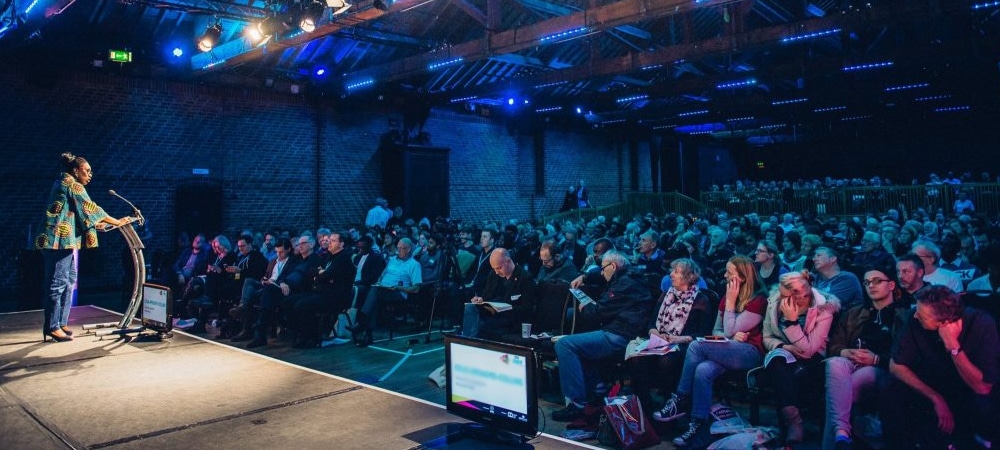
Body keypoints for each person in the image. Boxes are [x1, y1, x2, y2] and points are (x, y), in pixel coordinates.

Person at [655, 256, 768, 448]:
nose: (724, 275)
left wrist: (731, 304)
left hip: (750, 352)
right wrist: (729, 334)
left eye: (729, 273)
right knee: (703, 370)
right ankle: (697, 425)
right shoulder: (726, 297)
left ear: (741, 277)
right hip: (726, 348)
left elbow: (730, 328)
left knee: (696, 345)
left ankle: (680, 398)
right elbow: (718, 330)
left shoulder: (758, 300)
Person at [882, 286, 1000, 448]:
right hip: (933, 385)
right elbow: (896, 365)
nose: (916, 315)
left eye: (922, 316)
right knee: (891, 389)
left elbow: (983, 388)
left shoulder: (981, 324)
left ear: (944, 323)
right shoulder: (915, 318)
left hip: (968, 390)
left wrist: (953, 346)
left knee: (984, 405)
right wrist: (936, 398)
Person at [35, 152, 133, 342]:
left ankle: (61, 323)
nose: (90, 175)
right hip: (58, 240)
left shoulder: (65, 182)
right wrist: (117, 221)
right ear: (75, 170)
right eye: (86, 171)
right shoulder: (72, 184)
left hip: (63, 239)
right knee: (57, 284)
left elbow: (77, 212)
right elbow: (90, 208)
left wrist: (99, 225)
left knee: (69, 280)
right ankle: (52, 326)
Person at [551, 250, 653, 422]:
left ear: (613, 266)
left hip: (622, 335)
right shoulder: (627, 276)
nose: (600, 272)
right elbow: (598, 277)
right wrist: (584, 277)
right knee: (578, 345)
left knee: (565, 345)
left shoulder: (625, 284)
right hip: (619, 330)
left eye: (603, 268)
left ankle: (577, 404)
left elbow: (597, 313)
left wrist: (586, 307)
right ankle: (598, 389)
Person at [823, 267, 908, 450]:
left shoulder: (903, 316)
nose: (871, 285)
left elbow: (905, 356)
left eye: (877, 281)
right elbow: (834, 345)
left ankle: (837, 438)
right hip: (850, 364)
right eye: (867, 282)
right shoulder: (854, 313)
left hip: (882, 369)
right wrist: (844, 352)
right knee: (835, 363)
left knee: (837, 392)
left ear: (891, 285)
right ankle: (842, 433)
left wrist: (877, 359)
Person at [627, 258, 714, 423]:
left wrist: (677, 338)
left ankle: (672, 404)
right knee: (636, 359)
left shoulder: (701, 300)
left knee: (667, 360)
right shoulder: (666, 294)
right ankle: (645, 407)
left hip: (685, 344)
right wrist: (654, 331)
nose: (671, 274)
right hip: (660, 340)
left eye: (676, 271)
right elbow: (652, 322)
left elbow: (702, 332)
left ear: (688, 277)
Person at [759, 271, 841, 444]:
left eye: (785, 295)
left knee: (785, 373)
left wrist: (791, 323)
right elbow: (767, 337)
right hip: (783, 356)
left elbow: (809, 349)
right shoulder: (775, 301)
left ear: (803, 292)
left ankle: (792, 426)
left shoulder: (823, 308)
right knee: (778, 363)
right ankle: (793, 421)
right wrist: (782, 346)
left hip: (813, 360)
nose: (781, 298)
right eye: (780, 293)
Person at [354, 237, 422, 347]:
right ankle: (367, 333)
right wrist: (380, 282)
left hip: (398, 293)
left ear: (409, 249)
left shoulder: (414, 265)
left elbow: (416, 288)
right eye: (398, 248)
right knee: (372, 294)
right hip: (383, 288)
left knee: (373, 292)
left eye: (401, 248)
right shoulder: (392, 260)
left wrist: (398, 288)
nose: (398, 250)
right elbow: (382, 274)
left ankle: (361, 323)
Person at [461, 248, 536, 340]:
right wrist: (480, 300)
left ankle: (474, 341)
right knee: (470, 307)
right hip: (492, 313)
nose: (497, 272)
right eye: (494, 268)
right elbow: (487, 295)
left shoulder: (525, 279)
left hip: (512, 318)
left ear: (508, 261)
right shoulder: (494, 274)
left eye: (499, 268)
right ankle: (467, 340)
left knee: (485, 327)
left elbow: (526, 309)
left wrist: (503, 309)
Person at [812, 246, 863, 310]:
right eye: (814, 257)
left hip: (843, 319)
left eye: (818, 255)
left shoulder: (847, 278)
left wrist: (807, 288)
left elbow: (830, 304)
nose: (814, 259)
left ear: (832, 259)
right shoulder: (816, 279)